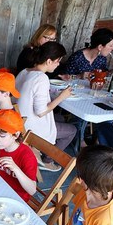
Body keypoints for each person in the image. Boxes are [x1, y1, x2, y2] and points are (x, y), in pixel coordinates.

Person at [16, 42, 77, 172]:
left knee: (60, 118)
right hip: (30, 129)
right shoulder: (41, 78)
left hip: (20, 119)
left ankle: (44, 154)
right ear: (49, 61)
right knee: (72, 130)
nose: (58, 64)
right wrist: (62, 97)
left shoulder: (25, 71)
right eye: (58, 61)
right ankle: (47, 160)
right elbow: (41, 112)